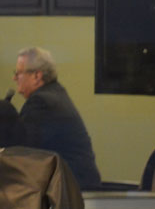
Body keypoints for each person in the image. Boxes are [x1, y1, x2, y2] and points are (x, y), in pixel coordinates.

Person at [14, 47, 101, 190]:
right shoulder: (54, 93)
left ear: (36, 76)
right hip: (77, 185)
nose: (15, 78)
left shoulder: (41, 102)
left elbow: (21, 150)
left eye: (18, 73)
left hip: (72, 191)